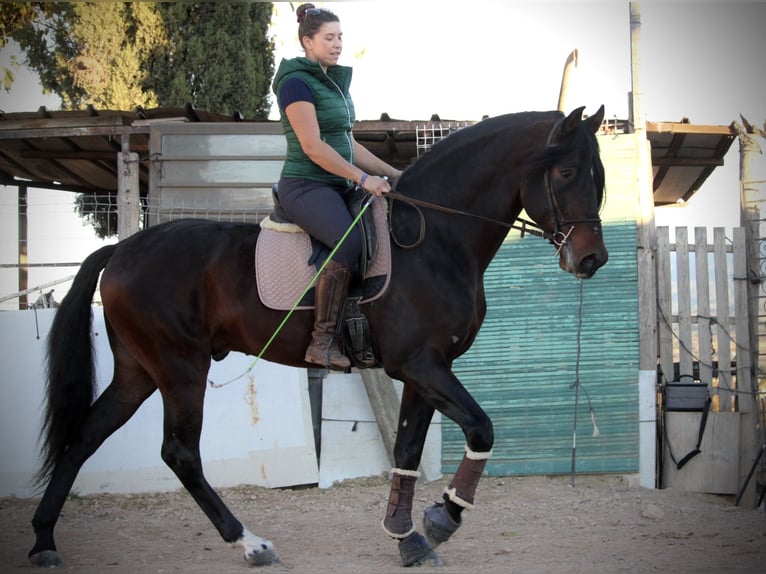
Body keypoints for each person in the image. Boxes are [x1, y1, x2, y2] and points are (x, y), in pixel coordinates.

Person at [273, 3, 402, 370]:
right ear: (307, 41)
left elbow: (348, 144)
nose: (337, 44)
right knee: (348, 246)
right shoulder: (295, 82)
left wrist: (394, 174)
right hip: (305, 185)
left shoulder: (333, 83)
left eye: (340, 36)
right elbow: (314, 147)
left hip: (336, 185)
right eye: (328, 37)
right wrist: (363, 180)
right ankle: (322, 341)